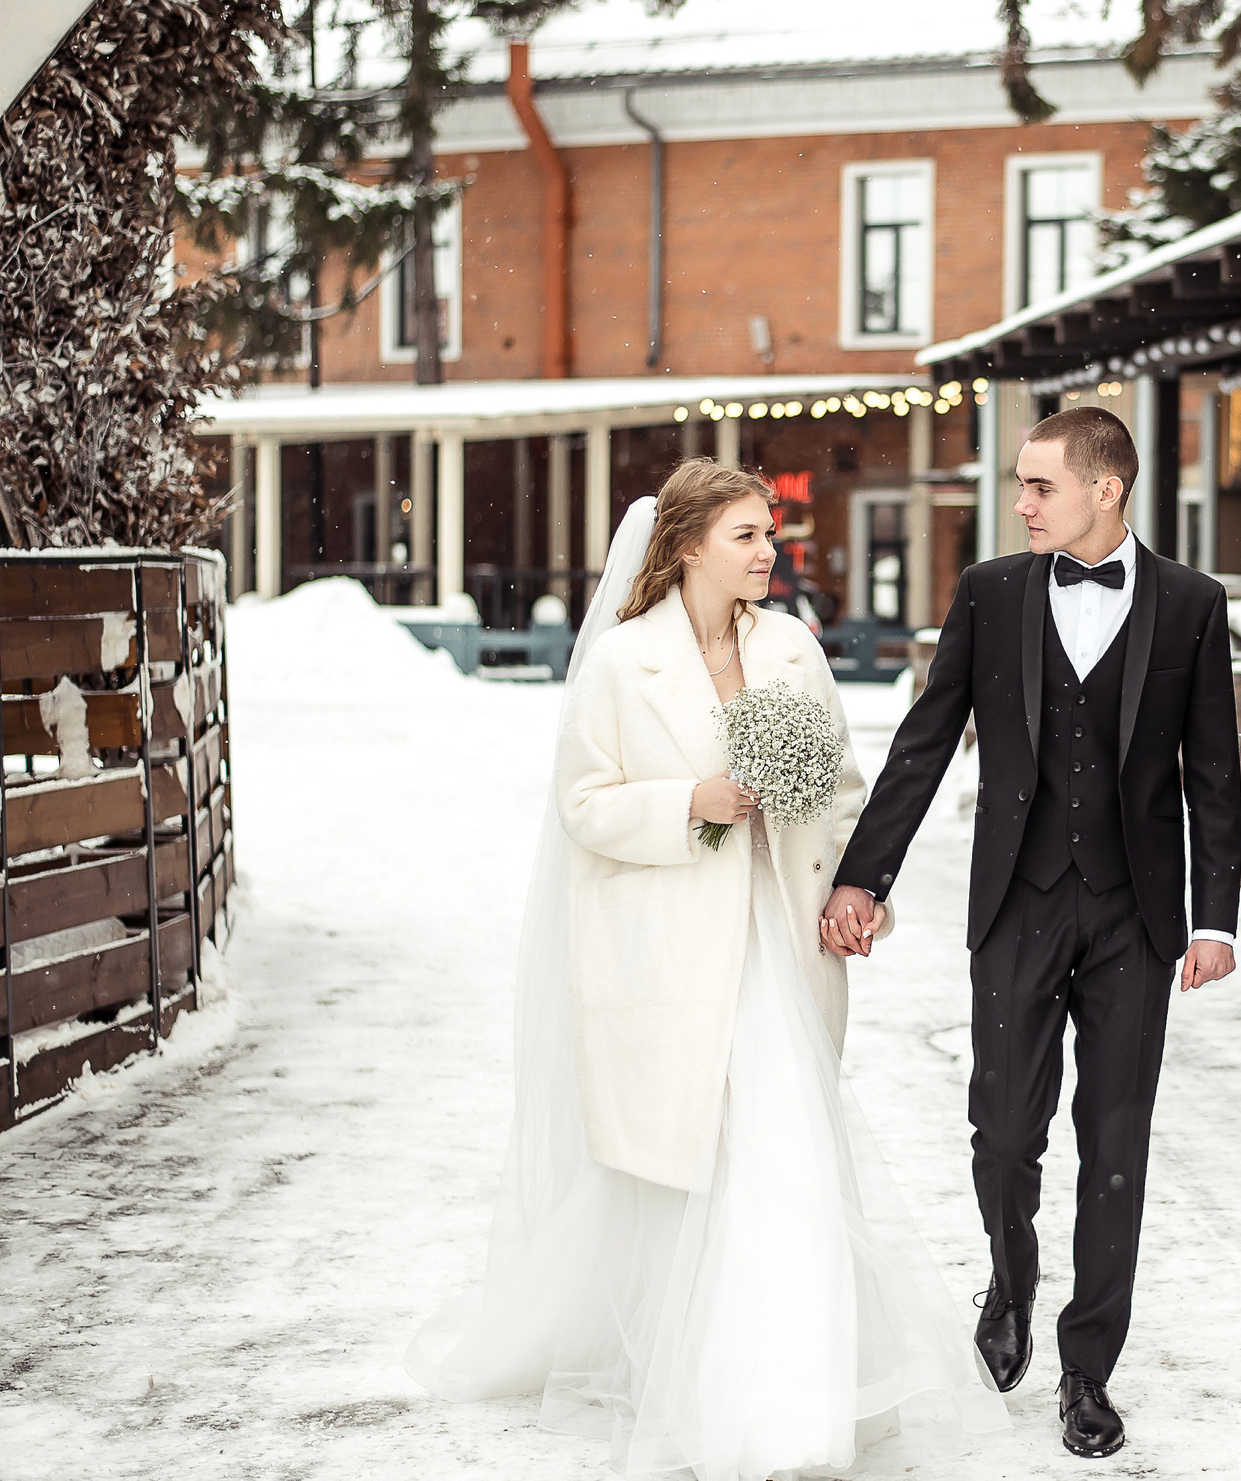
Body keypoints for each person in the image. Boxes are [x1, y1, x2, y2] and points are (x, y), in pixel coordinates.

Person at [407, 459, 1006, 1477]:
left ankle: (792, 1401)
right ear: (687, 546)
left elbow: (842, 791)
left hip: (784, 945)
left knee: (786, 1156)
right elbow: (583, 806)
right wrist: (693, 801)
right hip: (672, 955)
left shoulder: (793, 649)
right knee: (697, 1166)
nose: (769, 550)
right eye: (747, 534)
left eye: (769, 532)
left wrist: (856, 894)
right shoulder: (621, 662)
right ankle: (706, 1384)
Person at [820, 406, 1241, 1461]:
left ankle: (1088, 1368)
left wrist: (1214, 917)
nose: (1020, 503)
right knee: (1004, 1131)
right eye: (1019, 483)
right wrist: (864, 874)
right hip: (1018, 898)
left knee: (1116, 1141)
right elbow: (925, 740)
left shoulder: (1192, 603)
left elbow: (1214, 771)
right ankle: (1010, 1280)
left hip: (1136, 913)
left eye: (1039, 485)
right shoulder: (992, 591)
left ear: (1106, 488)